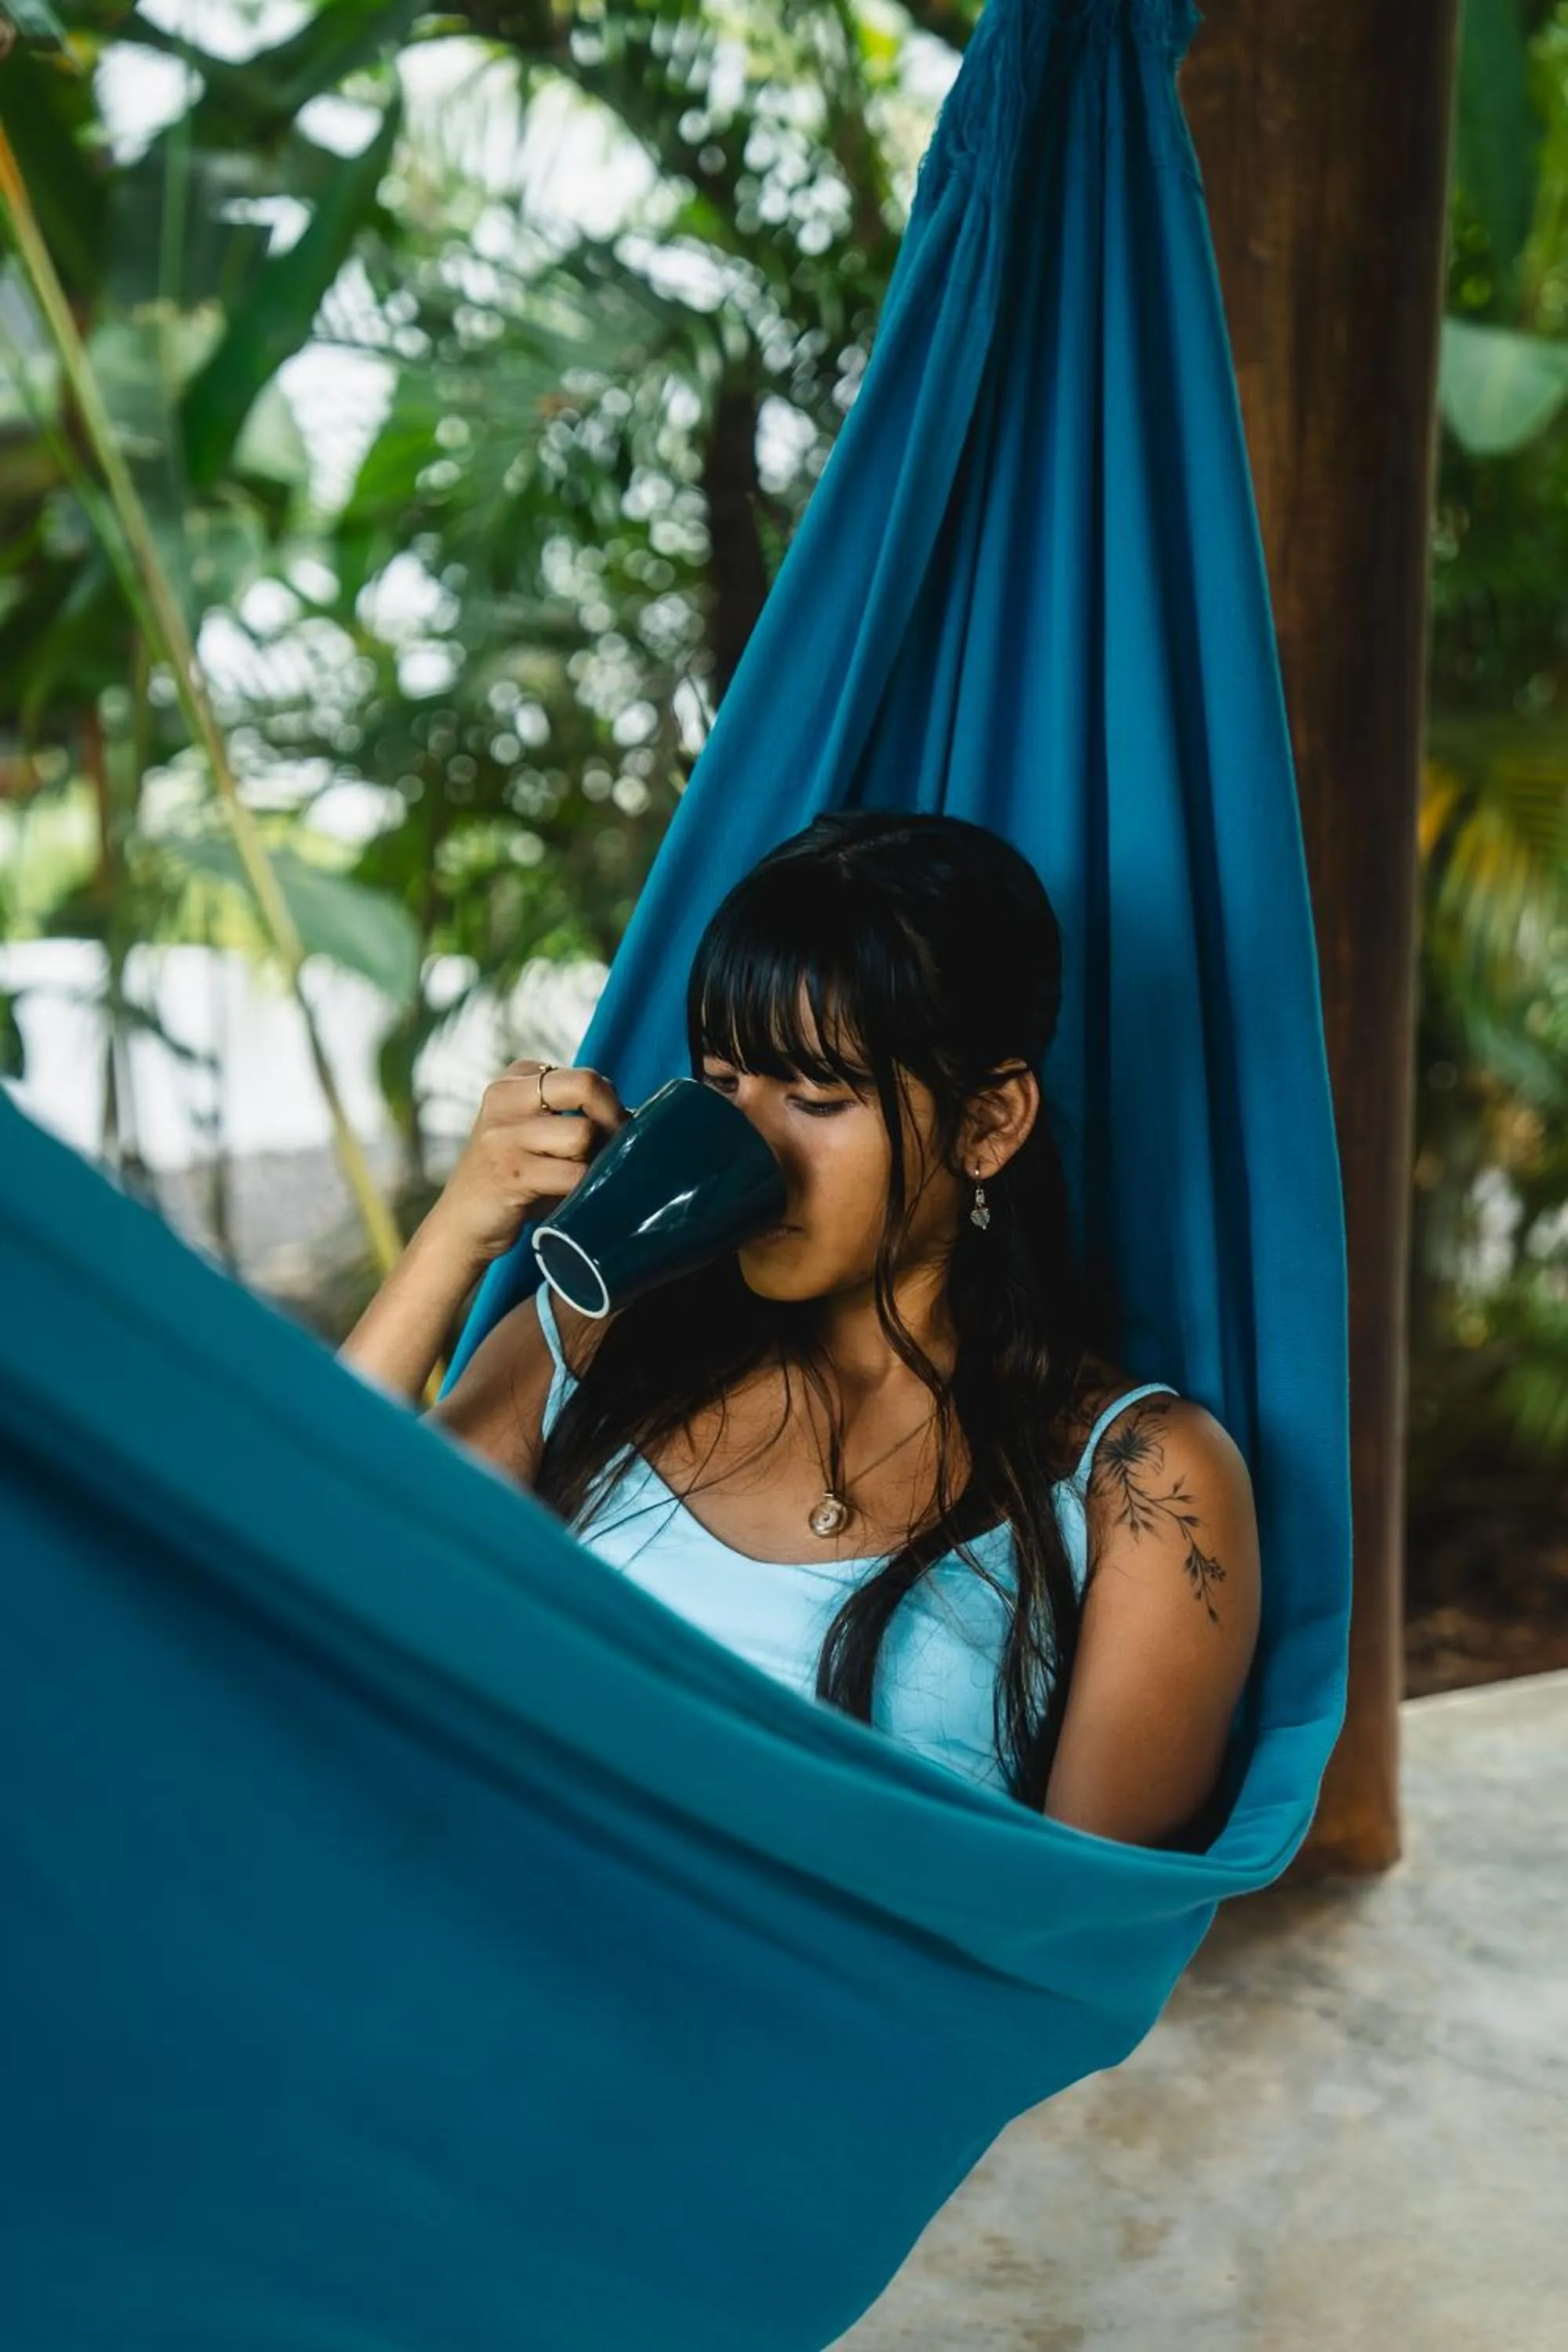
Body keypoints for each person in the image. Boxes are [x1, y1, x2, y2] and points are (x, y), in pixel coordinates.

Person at [342, 810, 1260, 1844]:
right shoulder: (598, 1342)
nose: (752, 1146)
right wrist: (461, 1236)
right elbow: (311, 1562)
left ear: (990, 1123)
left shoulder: (1136, 1477)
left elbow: (1074, 1951)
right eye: (725, 1084)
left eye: (818, 1097)